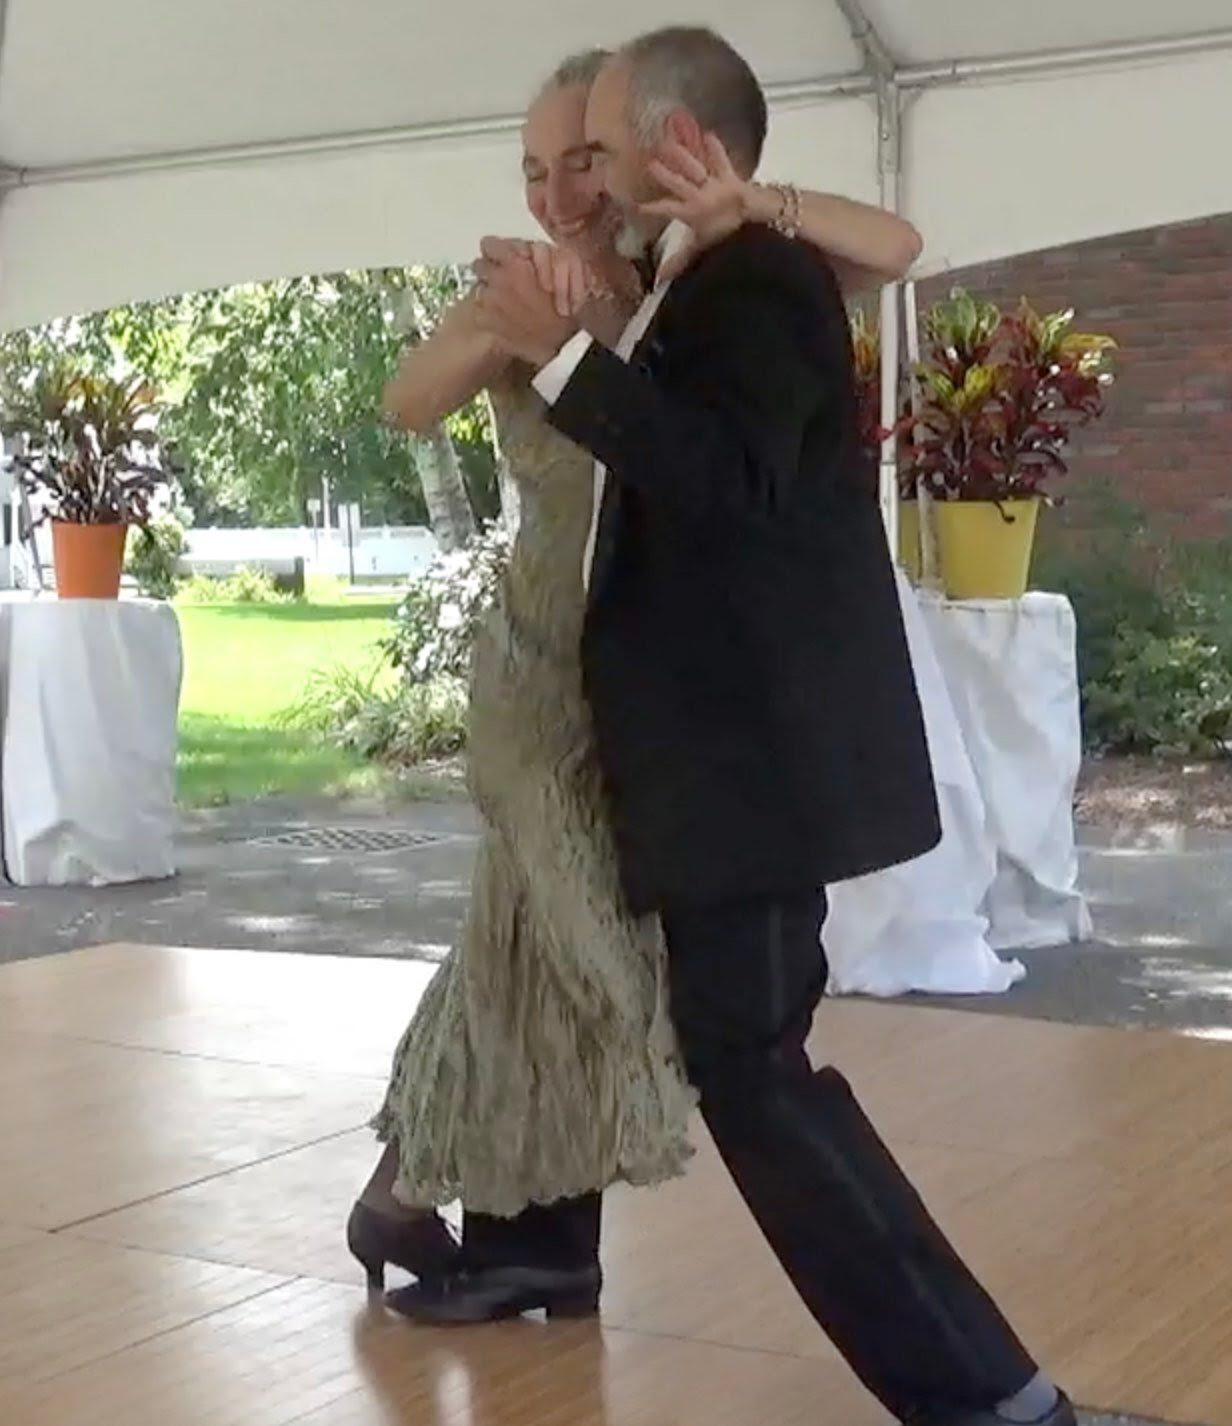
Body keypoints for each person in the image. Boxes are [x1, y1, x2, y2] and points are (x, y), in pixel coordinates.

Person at [424, 26, 1076, 1426]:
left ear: (678, 145)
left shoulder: (759, 281)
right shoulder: (695, 275)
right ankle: (987, 1395)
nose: (585, 183)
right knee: (745, 1067)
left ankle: (996, 1397)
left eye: (599, 150)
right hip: (721, 764)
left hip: (751, 766)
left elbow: (731, 482)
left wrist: (560, 361)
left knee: (757, 1074)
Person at [347, 46, 924, 1300]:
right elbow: (405, 403)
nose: (559, 193)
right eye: (534, 169)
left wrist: (751, 202)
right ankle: (485, 1191)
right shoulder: (527, 289)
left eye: (581, 161)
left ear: (630, 161)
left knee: (519, 952)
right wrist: (509, 329)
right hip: (539, 671)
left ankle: (485, 1224)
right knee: (579, 960)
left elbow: (894, 243)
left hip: (649, 686)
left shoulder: (685, 269)